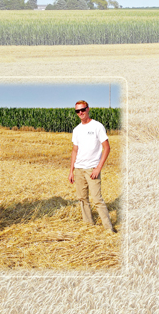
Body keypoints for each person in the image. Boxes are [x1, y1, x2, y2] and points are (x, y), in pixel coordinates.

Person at [68, 100, 115, 233]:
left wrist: (98, 168)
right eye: (78, 111)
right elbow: (74, 150)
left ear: (88, 109)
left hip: (92, 169)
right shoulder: (76, 130)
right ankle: (89, 225)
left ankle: (109, 229)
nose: (81, 113)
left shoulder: (97, 126)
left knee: (97, 200)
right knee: (82, 199)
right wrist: (71, 171)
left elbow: (106, 148)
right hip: (79, 169)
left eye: (83, 110)